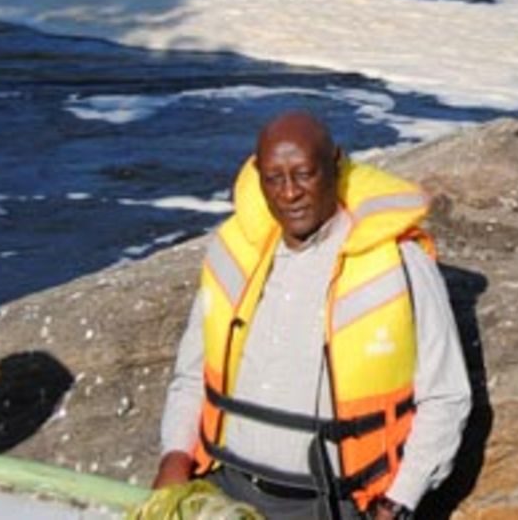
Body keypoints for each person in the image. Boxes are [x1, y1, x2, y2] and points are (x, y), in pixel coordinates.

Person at [153, 111, 471, 520]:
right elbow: (193, 373)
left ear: (335, 164)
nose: (289, 193)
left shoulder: (400, 264)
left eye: (304, 174)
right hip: (223, 489)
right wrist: (175, 455)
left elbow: (446, 395)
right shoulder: (232, 254)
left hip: (328, 505)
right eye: (274, 178)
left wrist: (399, 501)